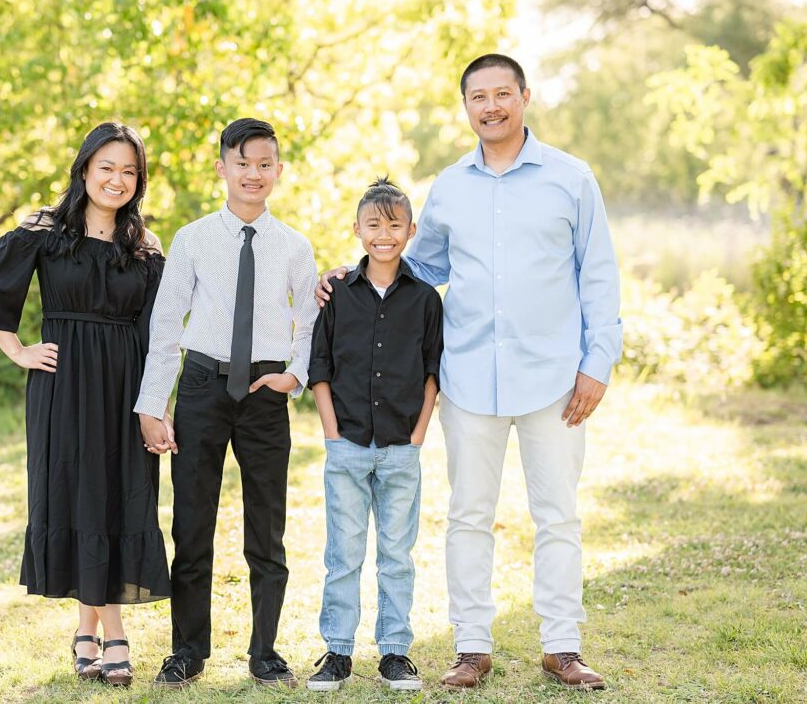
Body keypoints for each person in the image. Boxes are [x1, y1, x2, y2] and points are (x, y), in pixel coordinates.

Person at [317, 54, 622, 691]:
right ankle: (471, 647)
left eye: (502, 94)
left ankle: (562, 646)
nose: (491, 106)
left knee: (558, 514)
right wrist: (350, 277)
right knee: (468, 516)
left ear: (525, 97)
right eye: (478, 97)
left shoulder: (571, 178)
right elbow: (418, 270)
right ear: (466, 107)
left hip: (555, 380)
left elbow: (598, 275)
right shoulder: (450, 186)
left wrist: (598, 362)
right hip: (469, 377)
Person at [0, 122, 170, 688]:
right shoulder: (45, 234)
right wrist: (18, 351)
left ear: (138, 181)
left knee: (122, 495)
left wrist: (155, 405)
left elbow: (158, 335)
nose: (117, 179)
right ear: (84, 170)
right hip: (64, 381)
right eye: (107, 167)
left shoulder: (145, 250)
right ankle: (113, 632)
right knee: (78, 493)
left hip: (125, 388)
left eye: (130, 171)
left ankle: (88, 628)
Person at [134, 118, 319, 689]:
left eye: (265, 164)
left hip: (265, 393)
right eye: (242, 163)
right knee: (192, 524)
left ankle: (265, 653)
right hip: (201, 388)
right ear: (222, 168)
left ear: (279, 171)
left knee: (267, 528)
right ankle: (187, 650)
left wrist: (295, 375)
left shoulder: (293, 245)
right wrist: (152, 403)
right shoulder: (193, 239)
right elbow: (166, 325)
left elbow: (311, 320)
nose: (253, 173)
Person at [305, 178, 442, 692]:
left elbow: (432, 372)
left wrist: (418, 435)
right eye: (373, 225)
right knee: (343, 553)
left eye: (394, 225)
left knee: (397, 555)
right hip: (348, 445)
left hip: (401, 447)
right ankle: (337, 652)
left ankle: (394, 652)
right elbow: (320, 366)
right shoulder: (337, 293)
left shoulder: (425, 299)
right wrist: (333, 433)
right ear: (357, 230)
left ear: (409, 231)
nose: (383, 234)